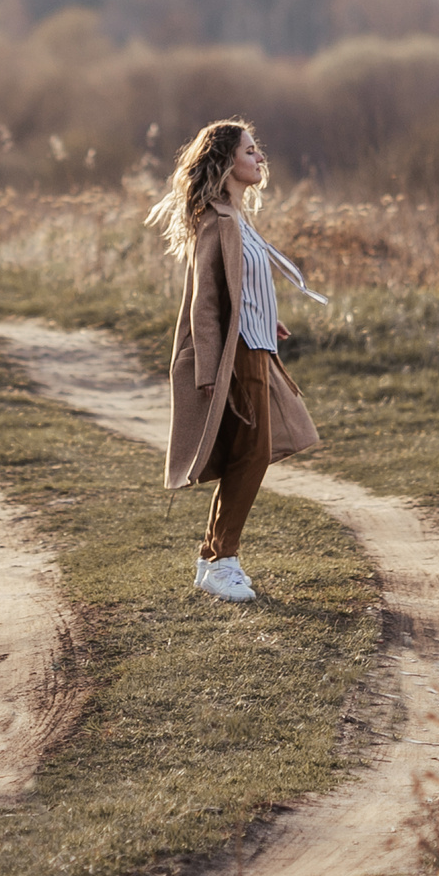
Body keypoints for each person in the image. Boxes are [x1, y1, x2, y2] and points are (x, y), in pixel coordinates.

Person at [146, 119, 326, 603]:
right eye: (251, 152)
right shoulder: (217, 221)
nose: (260, 158)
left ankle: (214, 560)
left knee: (252, 453)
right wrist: (207, 368)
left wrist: (270, 320)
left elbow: (240, 286)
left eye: (258, 151)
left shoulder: (237, 218)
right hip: (238, 353)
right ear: (227, 163)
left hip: (257, 343)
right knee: (251, 454)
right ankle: (221, 560)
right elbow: (205, 301)